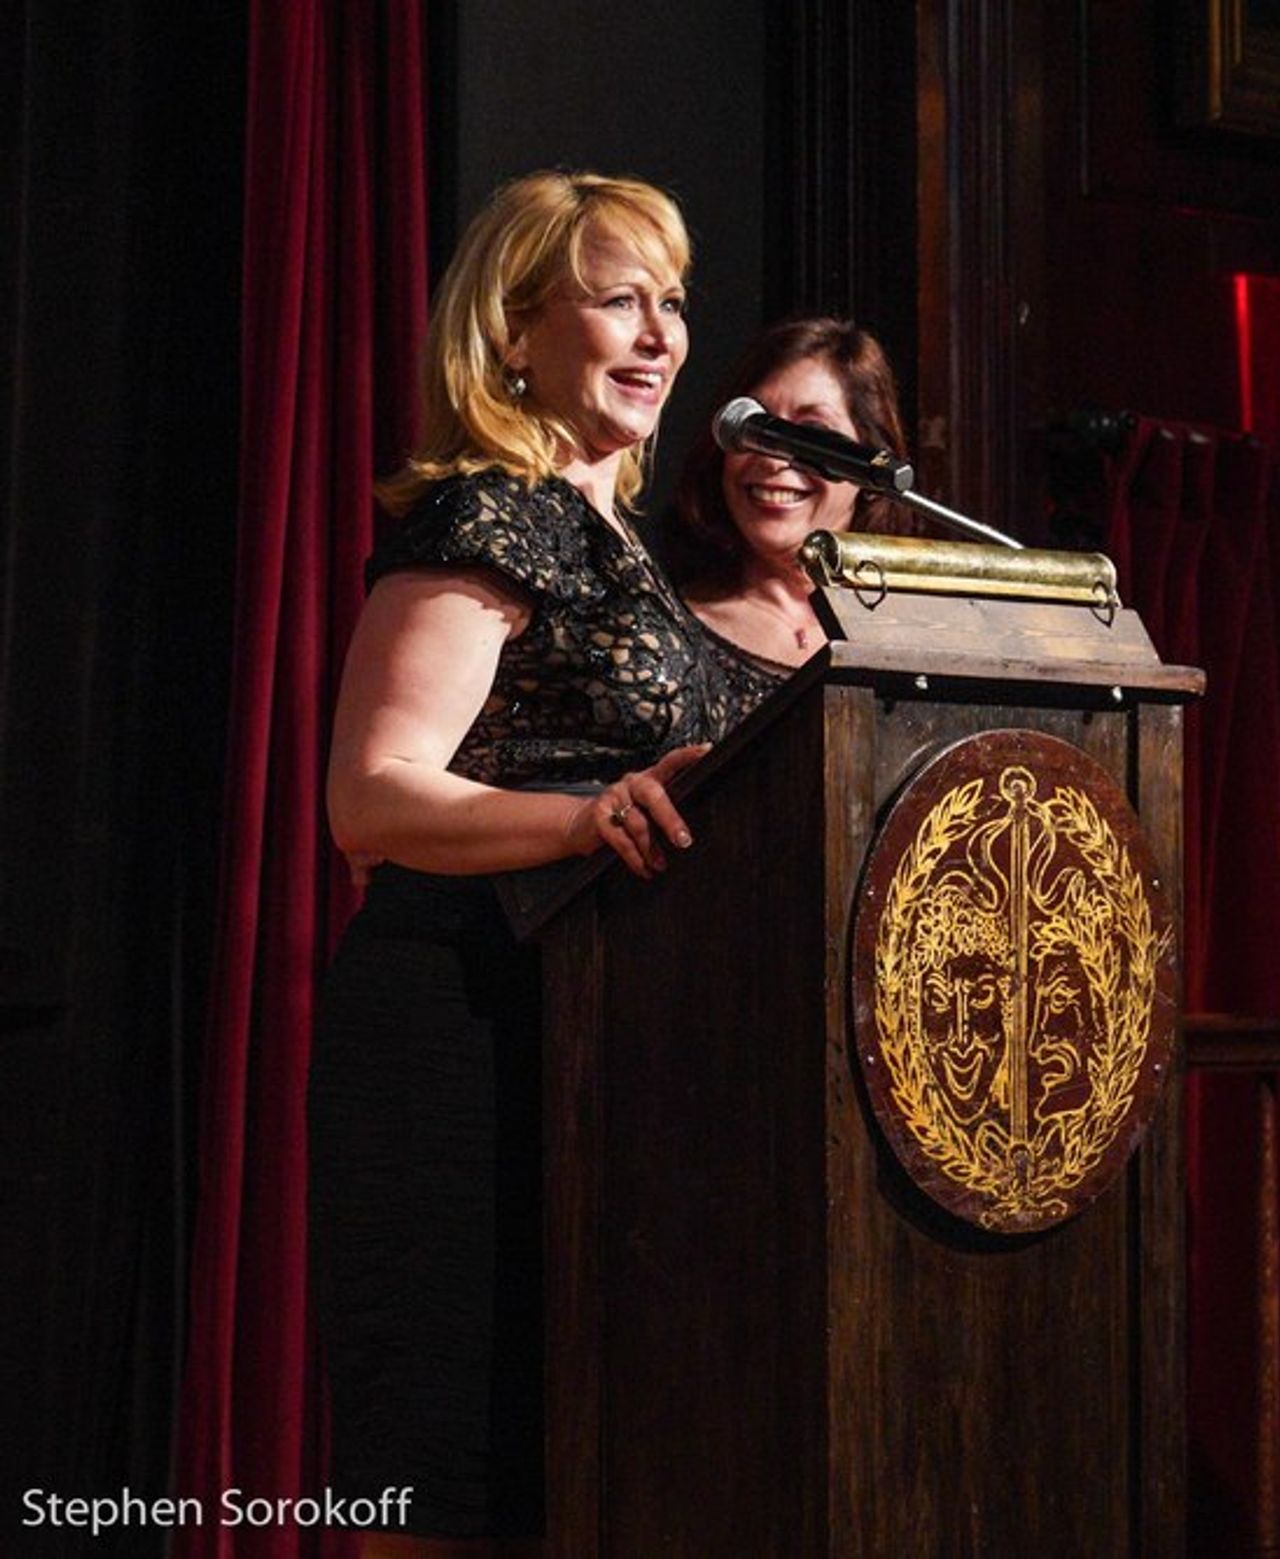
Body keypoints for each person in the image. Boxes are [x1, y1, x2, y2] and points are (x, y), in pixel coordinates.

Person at [309, 170, 739, 1557]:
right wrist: (582, 816)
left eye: (670, 302)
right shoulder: (480, 516)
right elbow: (368, 798)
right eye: (617, 299)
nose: (659, 332)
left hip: (596, 1044)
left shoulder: (629, 543)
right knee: (451, 1462)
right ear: (511, 331)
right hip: (462, 1031)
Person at [671, 317, 911, 700]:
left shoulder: (919, 634)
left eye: (811, 433)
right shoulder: (669, 635)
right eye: (755, 428)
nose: (771, 459)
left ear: (872, 468)